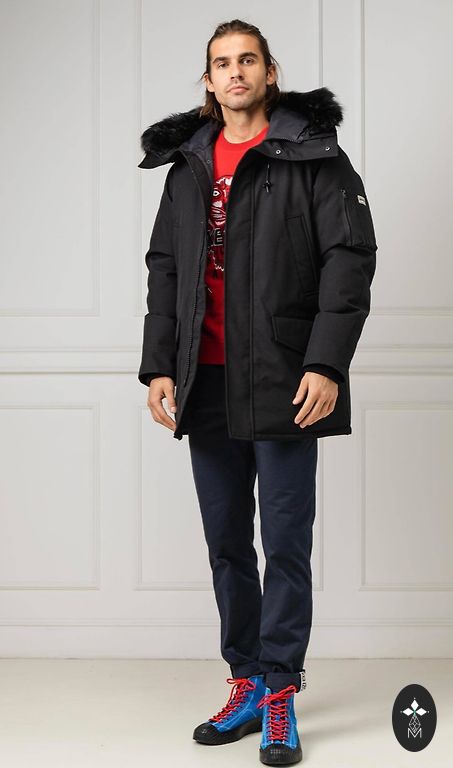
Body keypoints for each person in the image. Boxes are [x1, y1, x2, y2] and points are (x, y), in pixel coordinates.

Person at [137, 18, 377, 766]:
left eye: (247, 60)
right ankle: (244, 680)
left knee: (285, 544)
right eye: (221, 63)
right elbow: (164, 266)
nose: (234, 72)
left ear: (269, 72)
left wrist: (326, 364)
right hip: (204, 378)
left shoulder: (313, 154)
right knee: (225, 544)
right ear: (208, 80)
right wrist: (158, 365)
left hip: (283, 375)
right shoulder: (187, 164)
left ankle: (279, 692)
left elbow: (349, 259)